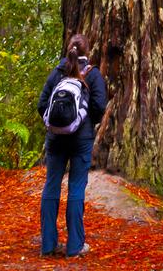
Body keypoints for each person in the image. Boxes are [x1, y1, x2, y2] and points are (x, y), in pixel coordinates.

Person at [37, 33, 107, 258]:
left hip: (55, 139)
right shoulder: (93, 74)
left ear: (69, 50)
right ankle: (74, 246)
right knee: (76, 188)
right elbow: (99, 105)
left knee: (51, 186)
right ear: (88, 51)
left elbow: (42, 104)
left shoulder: (57, 73)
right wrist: (83, 123)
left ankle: (48, 245)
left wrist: (55, 124)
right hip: (81, 141)